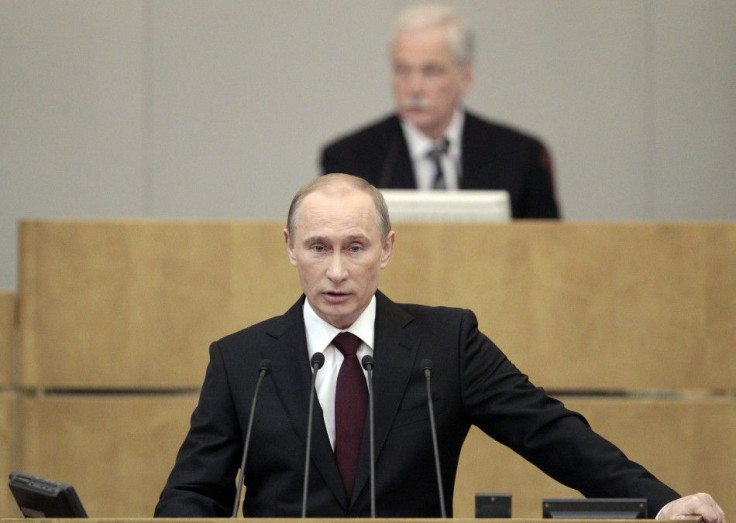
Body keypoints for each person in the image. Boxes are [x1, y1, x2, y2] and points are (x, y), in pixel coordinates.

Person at [155, 173, 724, 521]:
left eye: (355, 247)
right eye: (318, 246)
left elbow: (551, 433)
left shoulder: (446, 345)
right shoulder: (241, 360)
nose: (335, 271)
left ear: (387, 249)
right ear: (289, 248)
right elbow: (191, 494)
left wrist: (660, 502)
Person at [319, 4, 560, 219]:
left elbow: (549, 252)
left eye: (431, 71)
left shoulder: (518, 156)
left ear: (465, 77)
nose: (414, 88)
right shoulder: (350, 160)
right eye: (403, 70)